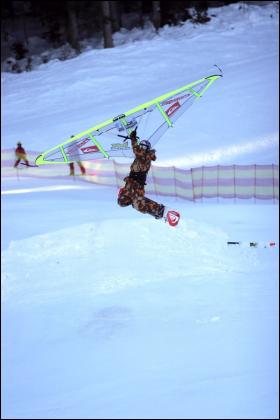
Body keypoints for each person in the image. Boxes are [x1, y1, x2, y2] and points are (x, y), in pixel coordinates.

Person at [117, 129, 166, 220]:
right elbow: (137, 150)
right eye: (141, 146)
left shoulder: (146, 156)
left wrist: (133, 138)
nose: (142, 148)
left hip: (138, 185)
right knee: (122, 202)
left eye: (144, 147)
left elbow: (136, 150)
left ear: (147, 149)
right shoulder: (141, 155)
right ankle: (137, 199)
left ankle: (158, 209)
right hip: (130, 183)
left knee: (138, 206)